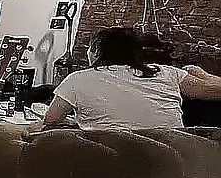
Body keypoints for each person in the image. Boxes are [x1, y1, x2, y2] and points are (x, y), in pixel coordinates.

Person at [28, 27, 221, 132]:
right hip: (172, 157)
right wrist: (202, 75)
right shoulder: (167, 73)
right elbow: (214, 90)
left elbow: (50, 120)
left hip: (114, 159)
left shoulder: (77, 79)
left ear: (96, 52)